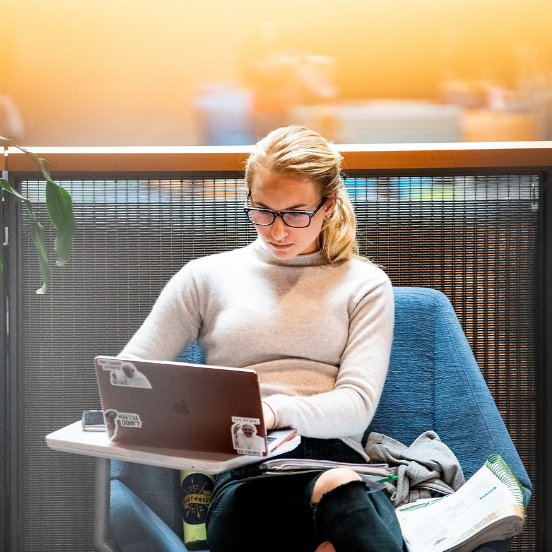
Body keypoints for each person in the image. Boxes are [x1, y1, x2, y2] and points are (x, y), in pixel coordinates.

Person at [119, 126, 403, 551]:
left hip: (334, 460)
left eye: (295, 213)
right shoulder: (206, 277)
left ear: (328, 206)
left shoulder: (365, 284)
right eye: (263, 211)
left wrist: (272, 410)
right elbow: (129, 377)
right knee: (337, 502)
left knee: (340, 485)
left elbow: (357, 407)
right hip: (246, 473)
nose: (278, 230)